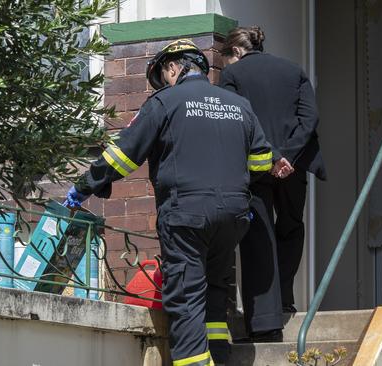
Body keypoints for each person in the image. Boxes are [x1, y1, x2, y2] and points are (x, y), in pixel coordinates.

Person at [64, 39, 290, 365]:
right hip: (233, 217)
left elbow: (124, 154)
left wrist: (87, 184)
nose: (164, 82)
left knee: (185, 297)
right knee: (215, 293)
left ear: (173, 67)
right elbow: (260, 160)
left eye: (164, 75)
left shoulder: (165, 102)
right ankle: (220, 358)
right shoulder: (238, 104)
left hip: (186, 216)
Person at [218, 26, 326, 342]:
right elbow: (310, 118)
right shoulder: (294, 71)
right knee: (291, 229)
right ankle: (285, 298)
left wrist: (274, 155)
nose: (225, 66)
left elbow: (240, 119)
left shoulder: (233, 76)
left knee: (258, 237)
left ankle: (265, 320)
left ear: (235, 52)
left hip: (256, 168)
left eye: (226, 59)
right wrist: (288, 156)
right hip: (293, 167)